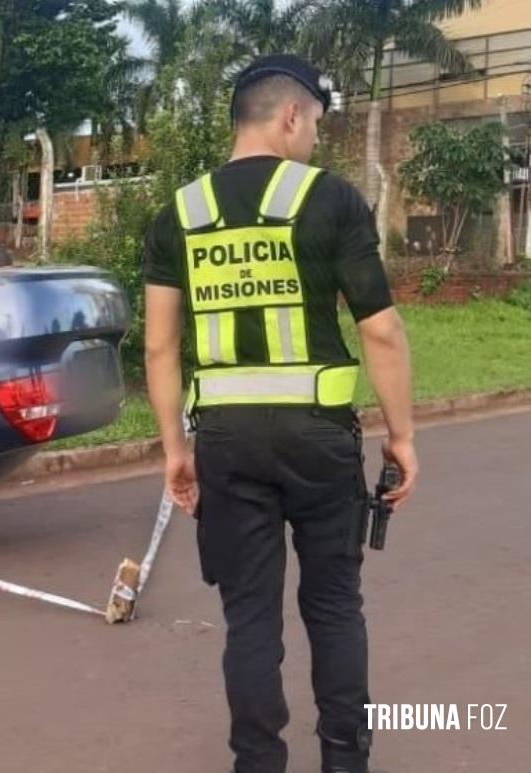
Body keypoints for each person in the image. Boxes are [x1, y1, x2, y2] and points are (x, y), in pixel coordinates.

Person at [142, 54, 419, 773]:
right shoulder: (329, 200)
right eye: (316, 126)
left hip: (226, 445)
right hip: (318, 440)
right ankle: (342, 758)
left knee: (250, 617)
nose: (315, 141)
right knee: (332, 605)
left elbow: (158, 345)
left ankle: (256, 761)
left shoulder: (180, 211)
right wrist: (402, 436)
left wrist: (175, 447)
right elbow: (381, 329)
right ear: (290, 115)